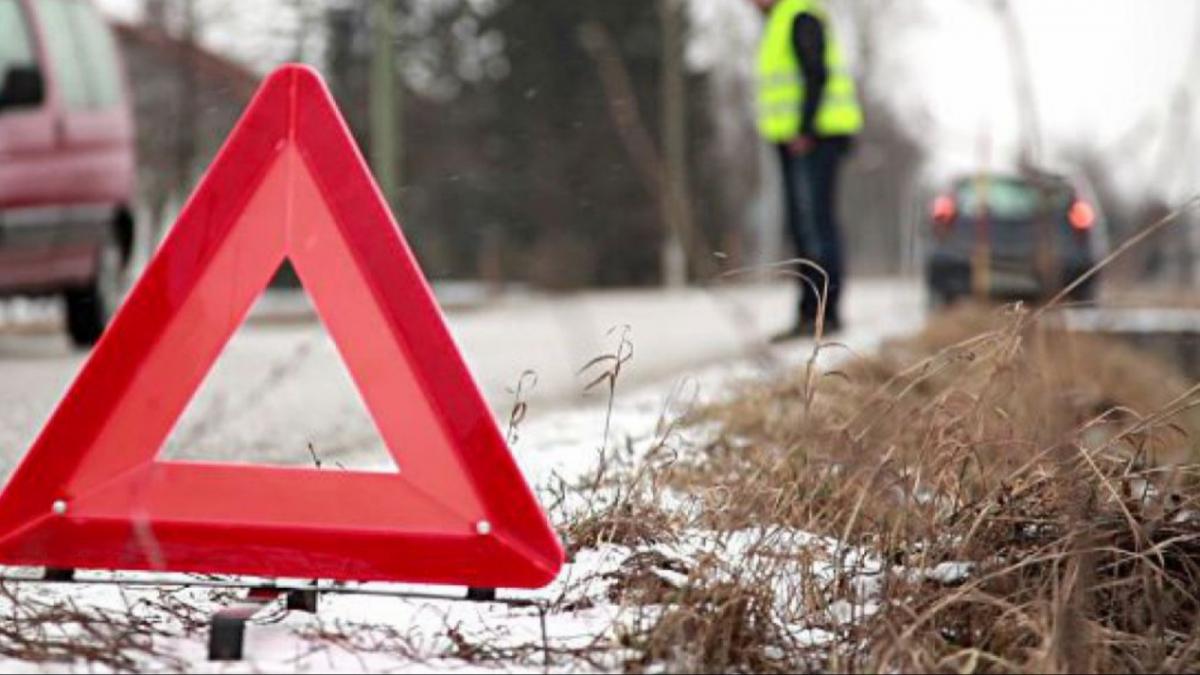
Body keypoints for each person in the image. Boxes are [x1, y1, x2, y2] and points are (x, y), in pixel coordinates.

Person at [752, 0, 863, 339]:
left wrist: (805, 127)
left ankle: (824, 314)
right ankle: (810, 313)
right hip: (796, 139)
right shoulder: (779, 21)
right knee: (804, 227)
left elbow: (816, 73)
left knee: (815, 226)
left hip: (814, 138)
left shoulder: (799, 16)